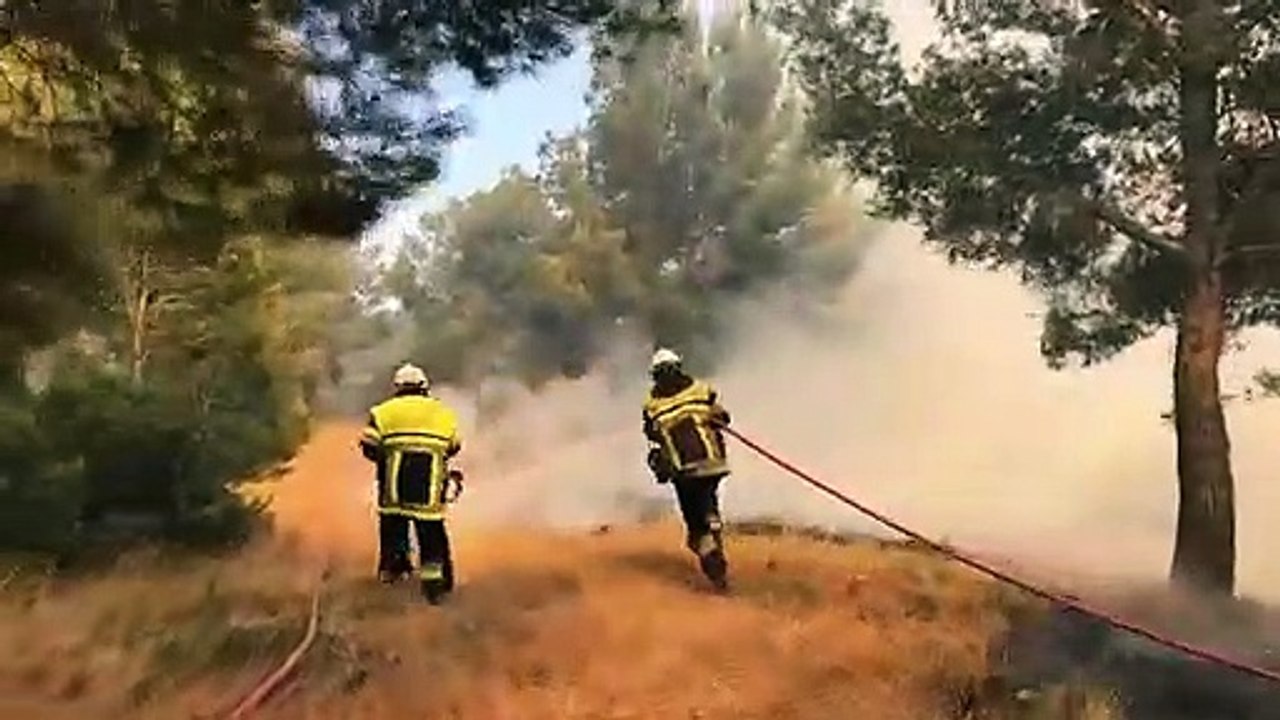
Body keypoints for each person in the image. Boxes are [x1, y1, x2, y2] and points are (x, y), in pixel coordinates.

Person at [358, 363, 465, 604]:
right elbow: (454, 446)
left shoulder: (383, 412)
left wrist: (385, 461)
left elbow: (369, 446)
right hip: (429, 489)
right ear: (424, 387)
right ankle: (435, 588)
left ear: (397, 388)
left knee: (393, 531)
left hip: (393, 488)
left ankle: (394, 576)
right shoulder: (443, 413)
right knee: (432, 536)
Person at [642, 348, 732, 592]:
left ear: (655, 376)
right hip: (714, 464)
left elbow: (652, 436)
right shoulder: (702, 390)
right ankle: (713, 521)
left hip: (684, 473)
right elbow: (723, 418)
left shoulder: (652, 406)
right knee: (708, 496)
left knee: (695, 527)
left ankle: (712, 558)